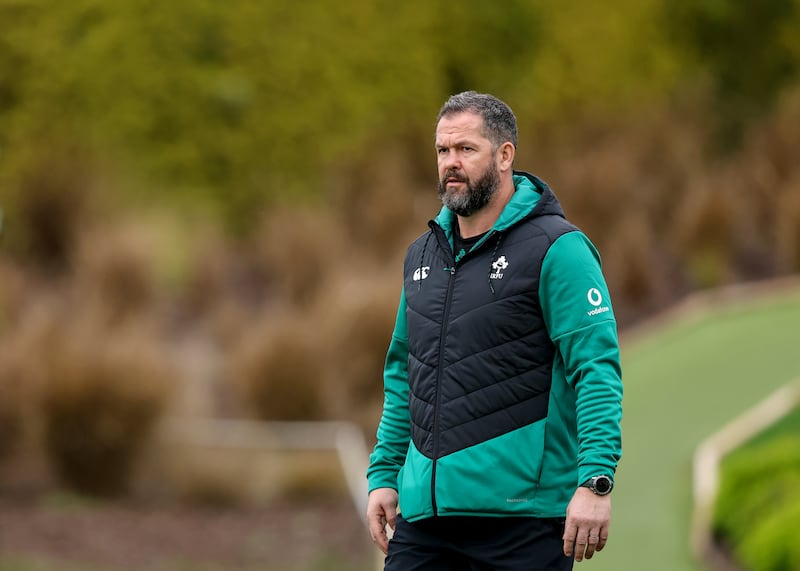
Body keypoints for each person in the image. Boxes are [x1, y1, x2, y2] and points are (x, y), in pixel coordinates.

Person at [365, 91, 623, 570]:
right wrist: (384, 475)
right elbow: (404, 374)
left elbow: (596, 370)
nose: (451, 162)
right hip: (425, 522)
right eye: (443, 150)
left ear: (505, 155)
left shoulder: (559, 249)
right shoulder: (421, 256)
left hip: (523, 523)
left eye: (466, 149)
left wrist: (595, 481)